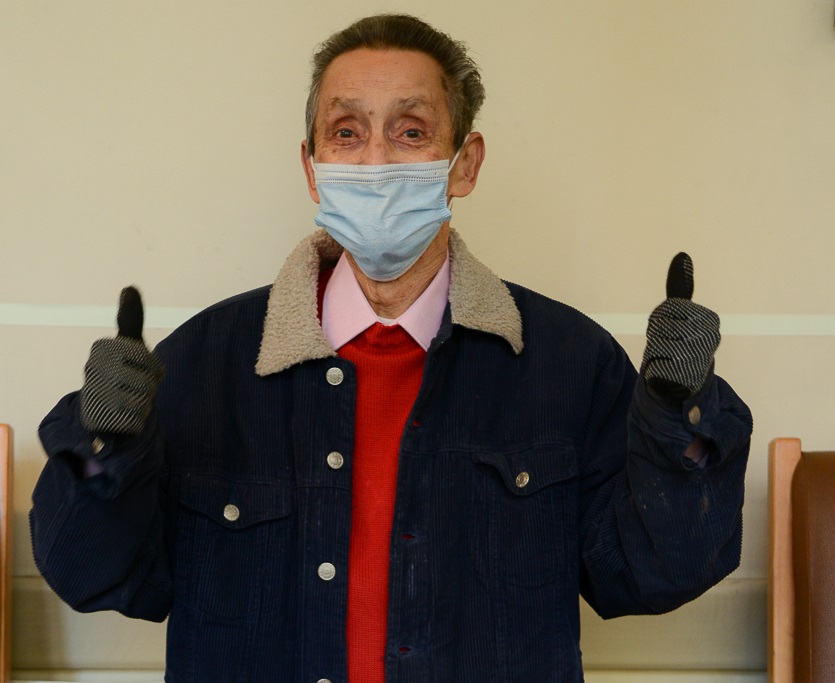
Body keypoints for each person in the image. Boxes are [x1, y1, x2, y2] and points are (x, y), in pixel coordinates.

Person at [30, 14, 753, 683]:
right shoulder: (204, 363)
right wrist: (103, 448)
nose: (374, 160)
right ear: (312, 167)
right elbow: (91, 573)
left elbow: (653, 574)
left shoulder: (568, 362)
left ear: (464, 164)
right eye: (346, 132)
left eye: (410, 132)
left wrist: (677, 417)